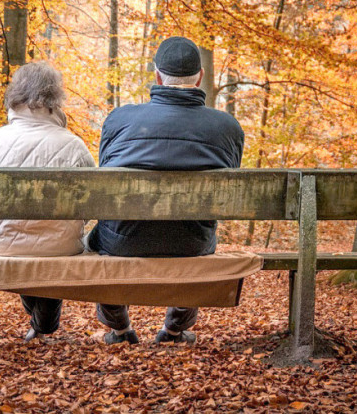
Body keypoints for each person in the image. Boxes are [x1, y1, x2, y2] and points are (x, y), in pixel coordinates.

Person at [86, 36, 245, 345]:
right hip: (191, 243)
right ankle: (174, 331)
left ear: (157, 76)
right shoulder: (227, 128)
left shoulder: (119, 119)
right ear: (199, 78)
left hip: (123, 241)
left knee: (103, 234)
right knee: (194, 230)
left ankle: (119, 330)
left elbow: (106, 177)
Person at [0, 61, 95, 341]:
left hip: (1, 243)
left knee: (25, 247)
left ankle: (42, 325)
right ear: (55, 98)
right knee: (51, 245)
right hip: (61, 245)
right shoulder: (73, 144)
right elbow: (90, 205)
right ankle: (44, 325)